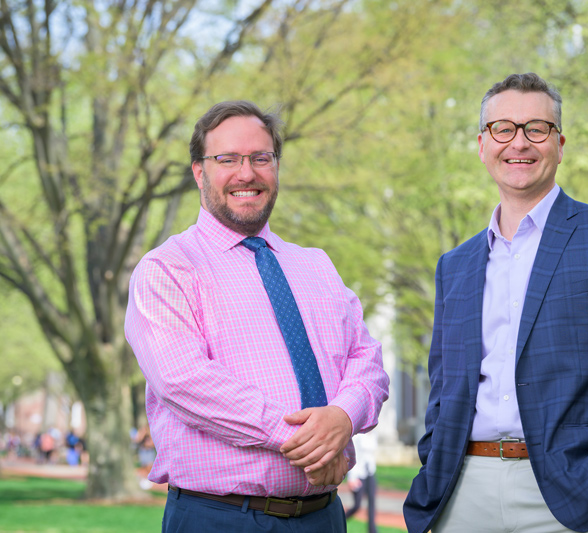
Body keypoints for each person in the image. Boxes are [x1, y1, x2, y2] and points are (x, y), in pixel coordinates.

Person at [403, 73, 588, 533]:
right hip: (462, 492)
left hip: (581, 499)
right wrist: (432, 469)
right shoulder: (455, 265)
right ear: (482, 144)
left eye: (536, 128)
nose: (519, 143)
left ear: (559, 143)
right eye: (503, 129)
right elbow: (444, 388)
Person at [125, 100, 390, 533]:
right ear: (199, 172)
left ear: (276, 167)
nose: (246, 173)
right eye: (227, 159)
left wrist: (343, 417)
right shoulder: (168, 269)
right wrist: (308, 442)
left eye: (260, 158)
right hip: (220, 518)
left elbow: (368, 360)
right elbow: (184, 381)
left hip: (324, 517)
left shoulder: (316, 265)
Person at [344, 430, 378, 533]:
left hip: (370, 472)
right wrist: (352, 478)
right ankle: (341, 522)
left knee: (372, 502)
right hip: (358, 474)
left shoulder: (374, 433)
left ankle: (372, 531)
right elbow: (353, 456)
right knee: (357, 505)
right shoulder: (357, 435)